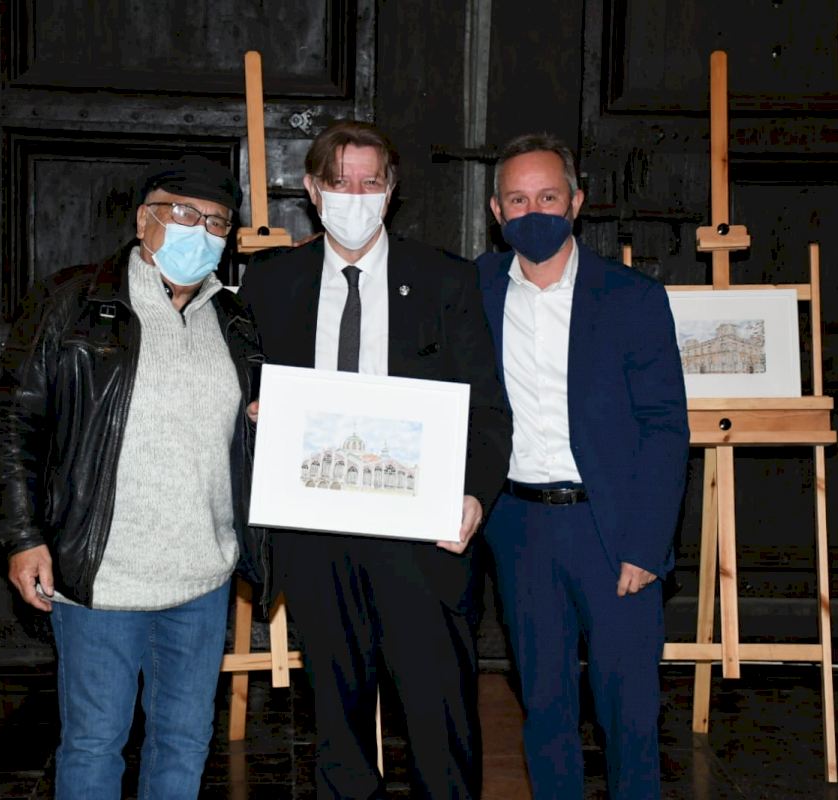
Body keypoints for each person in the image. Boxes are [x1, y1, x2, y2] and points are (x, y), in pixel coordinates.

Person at [238, 119, 512, 800]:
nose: (354, 197)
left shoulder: (446, 280)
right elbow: (241, 391)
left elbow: (488, 410)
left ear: (391, 191)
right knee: (338, 725)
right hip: (316, 540)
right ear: (312, 189)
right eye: (339, 182)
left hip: (423, 541)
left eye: (370, 182)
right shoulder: (270, 284)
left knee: (439, 720)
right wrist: (255, 413)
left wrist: (474, 495)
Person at [0, 156, 263, 800]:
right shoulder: (72, 302)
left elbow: (244, 430)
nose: (199, 231)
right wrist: (23, 537)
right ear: (143, 221)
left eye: (216, 222)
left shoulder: (235, 320)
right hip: (101, 573)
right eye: (182, 213)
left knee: (184, 741)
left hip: (203, 575)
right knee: (94, 742)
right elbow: (11, 423)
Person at [476, 133, 690, 800]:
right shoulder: (473, 290)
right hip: (518, 528)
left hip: (612, 527)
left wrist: (646, 544)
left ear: (576, 202)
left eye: (547, 196)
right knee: (544, 706)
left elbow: (664, 427)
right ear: (496, 210)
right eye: (517, 199)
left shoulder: (632, 297)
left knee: (630, 711)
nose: (532, 210)